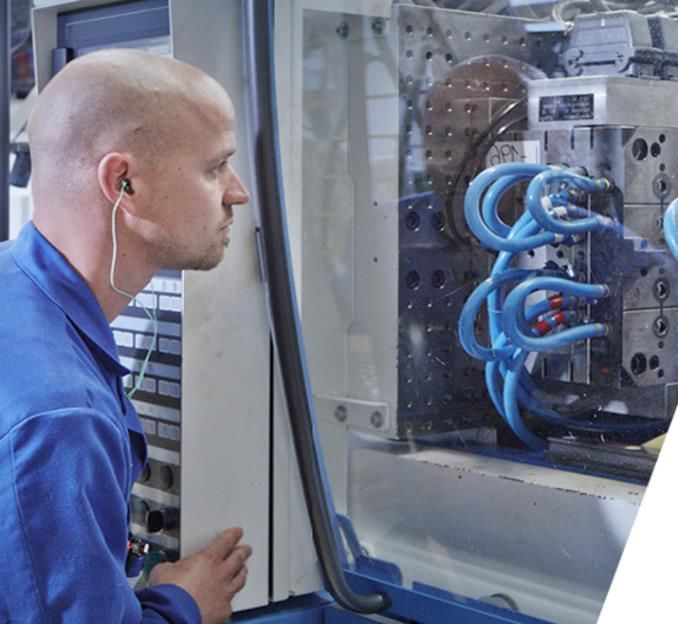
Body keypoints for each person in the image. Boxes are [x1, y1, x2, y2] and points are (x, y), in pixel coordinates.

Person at [0, 49, 252, 623]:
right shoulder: (60, 416)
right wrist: (182, 605)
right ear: (124, 183)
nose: (236, 192)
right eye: (215, 167)